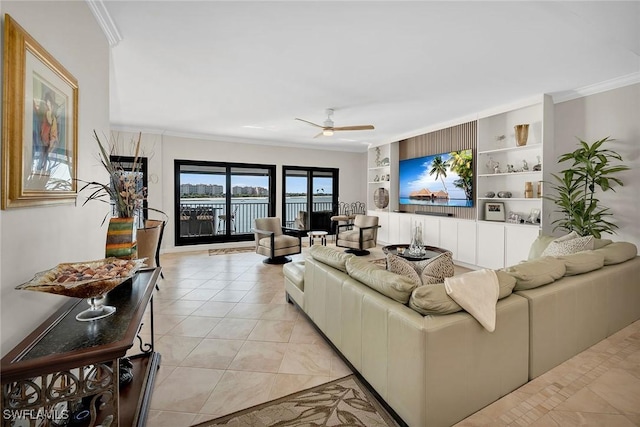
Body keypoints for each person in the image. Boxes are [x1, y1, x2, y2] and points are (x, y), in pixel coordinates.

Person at [33, 91, 59, 172]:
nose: (47, 106)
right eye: (46, 104)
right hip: (43, 140)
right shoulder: (46, 114)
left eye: (49, 105)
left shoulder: (51, 117)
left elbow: (51, 127)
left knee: (44, 156)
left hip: (47, 141)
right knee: (42, 156)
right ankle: (41, 169)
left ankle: (43, 169)